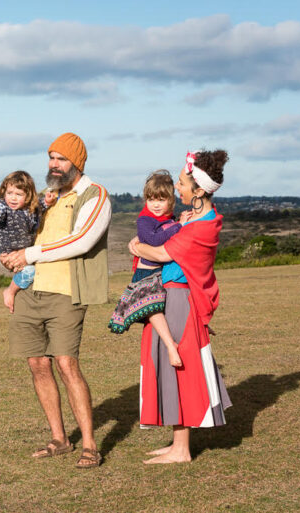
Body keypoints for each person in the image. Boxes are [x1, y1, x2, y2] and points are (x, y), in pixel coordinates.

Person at [1, 133, 111, 468]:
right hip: (31, 291)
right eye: (50, 157)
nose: (54, 164)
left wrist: (28, 253)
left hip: (67, 292)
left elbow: (81, 241)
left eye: (61, 158)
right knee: (37, 364)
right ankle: (59, 439)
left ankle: (90, 445)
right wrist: (13, 269)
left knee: (66, 363)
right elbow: (28, 235)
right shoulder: (48, 198)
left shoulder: (96, 195)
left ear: (77, 162)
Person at [128, 149, 232, 464]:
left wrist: (137, 246)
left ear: (199, 190)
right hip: (171, 295)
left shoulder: (202, 226)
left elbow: (163, 255)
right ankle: (176, 443)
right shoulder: (196, 218)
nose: (177, 189)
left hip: (178, 299)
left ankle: (182, 449)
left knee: (179, 369)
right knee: (167, 364)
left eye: (183, 184)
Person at [108, 170, 183, 367]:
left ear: (171, 200)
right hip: (146, 273)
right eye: (151, 199)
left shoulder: (169, 220)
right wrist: (178, 226)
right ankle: (170, 345)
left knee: (159, 309)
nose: (156, 204)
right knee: (153, 310)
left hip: (160, 273)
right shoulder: (145, 220)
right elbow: (153, 240)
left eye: (161, 199)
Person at [0, 171, 56, 313]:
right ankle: (10, 290)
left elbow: (41, 206)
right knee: (30, 272)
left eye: (18, 194)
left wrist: (48, 201)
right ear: (4, 193)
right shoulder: (5, 209)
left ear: (28, 196)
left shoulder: (31, 208)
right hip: (10, 252)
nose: (13, 198)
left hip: (26, 252)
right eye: (10, 193)